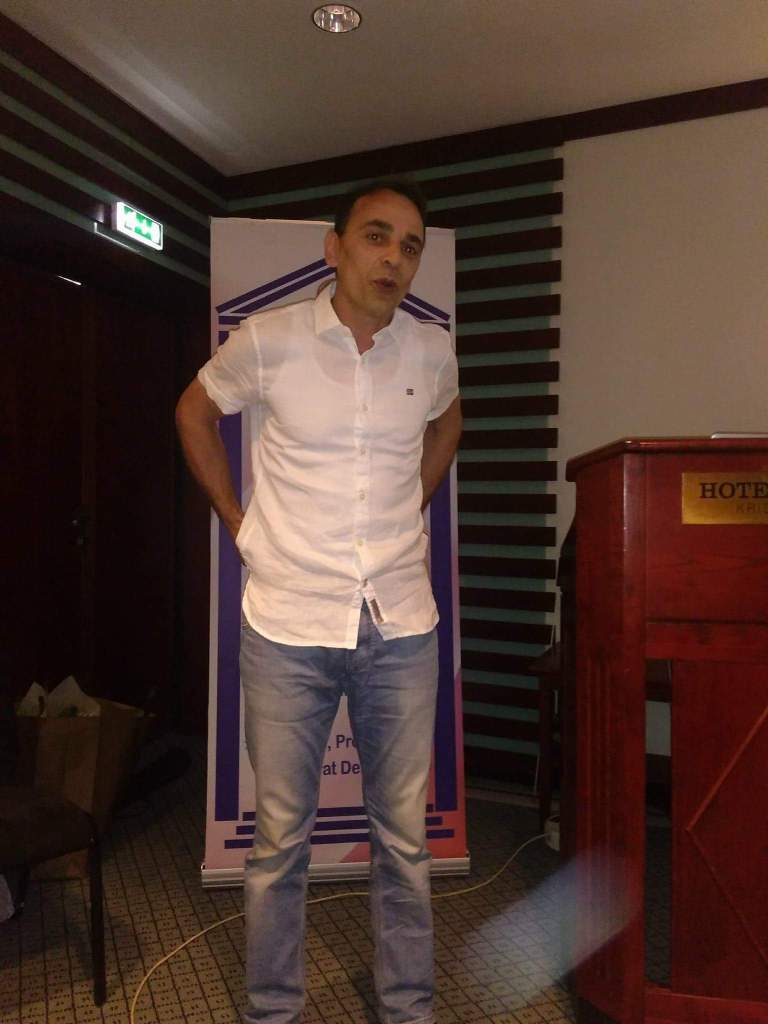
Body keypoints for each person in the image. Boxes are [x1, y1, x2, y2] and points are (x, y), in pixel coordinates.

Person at [176, 179, 462, 1024]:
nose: (394, 257)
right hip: (288, 624)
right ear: (334, 248)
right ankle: (273, 1011)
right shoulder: (269, 341)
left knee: (404, 842)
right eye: (377, 236)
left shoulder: (431, 351)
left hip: (401, 625)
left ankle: (407, 1009)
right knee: (278, 843)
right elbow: (193, 413)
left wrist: (412, 500)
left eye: (410, 245)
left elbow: (448, 423)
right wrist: (238, 523)